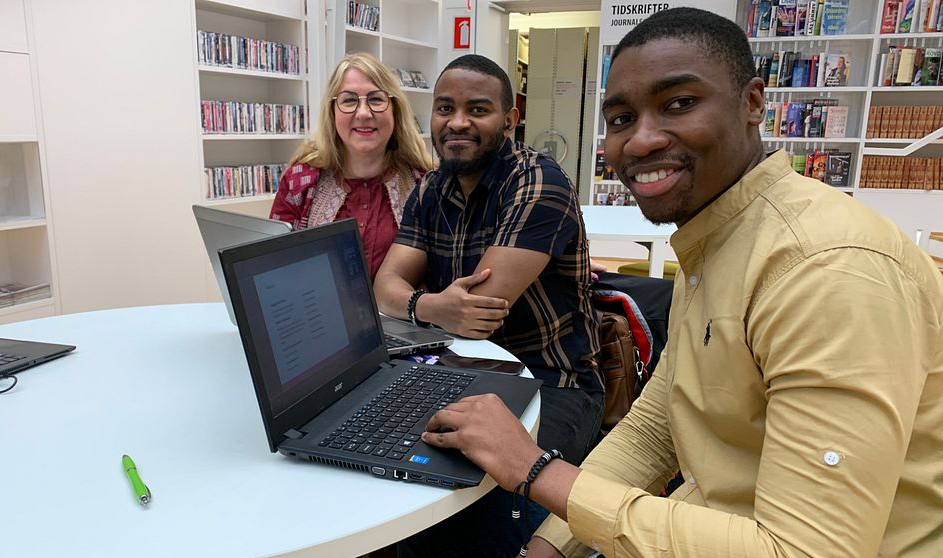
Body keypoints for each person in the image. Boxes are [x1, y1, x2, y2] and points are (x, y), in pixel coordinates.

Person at [417, 8, 943, 558]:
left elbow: (806, 551)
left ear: (753, 104)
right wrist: (549, 545)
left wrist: (534, 470)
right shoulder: (717, 238)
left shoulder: (827, 270)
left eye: (679, 104)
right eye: (621, 118)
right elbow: (656, 425)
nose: (641, 140)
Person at [373, 54, 604, 556]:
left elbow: (480, 311)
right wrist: (432, 305)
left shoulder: (538, 181)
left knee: (465, 490)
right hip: (458, 368)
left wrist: (417, 303)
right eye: (444, 108)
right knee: (383, 454)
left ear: (509, 118)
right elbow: (384, 284)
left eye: (477, 109)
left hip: (551, 382)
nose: (457, 122)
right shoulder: (431, 187)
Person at [268, 52, 433, 280]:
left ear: (395, 109)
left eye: (376, 99)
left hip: (401, 315)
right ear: (332, 112)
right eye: (349, 100)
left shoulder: (424, 184)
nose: (363, 113)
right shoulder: (299, 180)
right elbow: (274, 264)